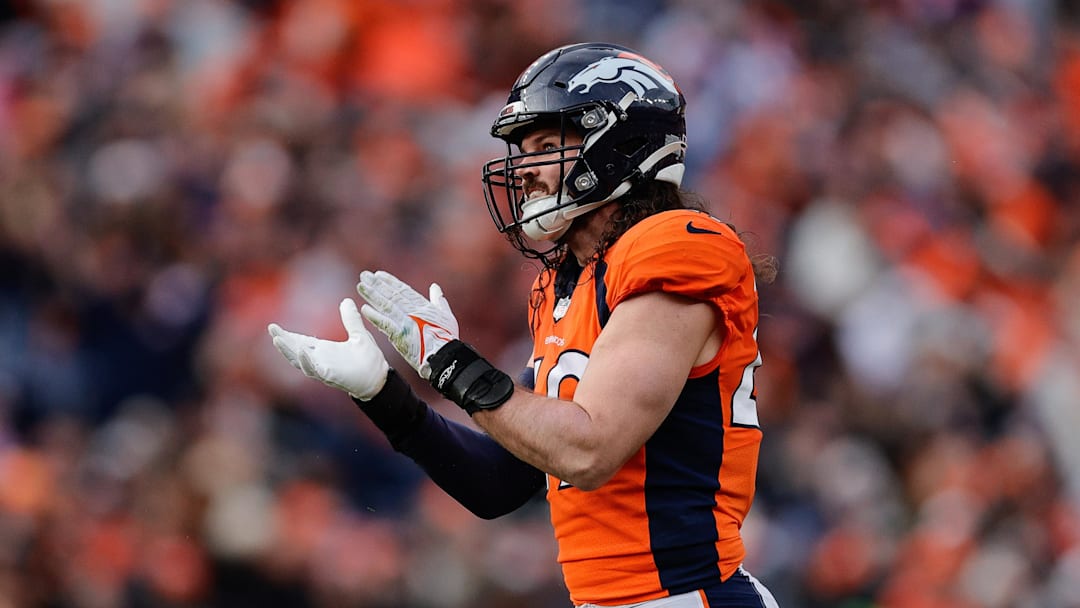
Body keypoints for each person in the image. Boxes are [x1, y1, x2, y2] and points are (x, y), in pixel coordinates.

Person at [268, 42, 780, 608]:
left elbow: (589, 451)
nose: (526, 169)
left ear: (618, 143)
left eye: (544, 146)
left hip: (688, 594)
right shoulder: (567, 282)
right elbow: (499, 482)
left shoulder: (672, 245)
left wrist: (449, 361)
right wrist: (387, 397)